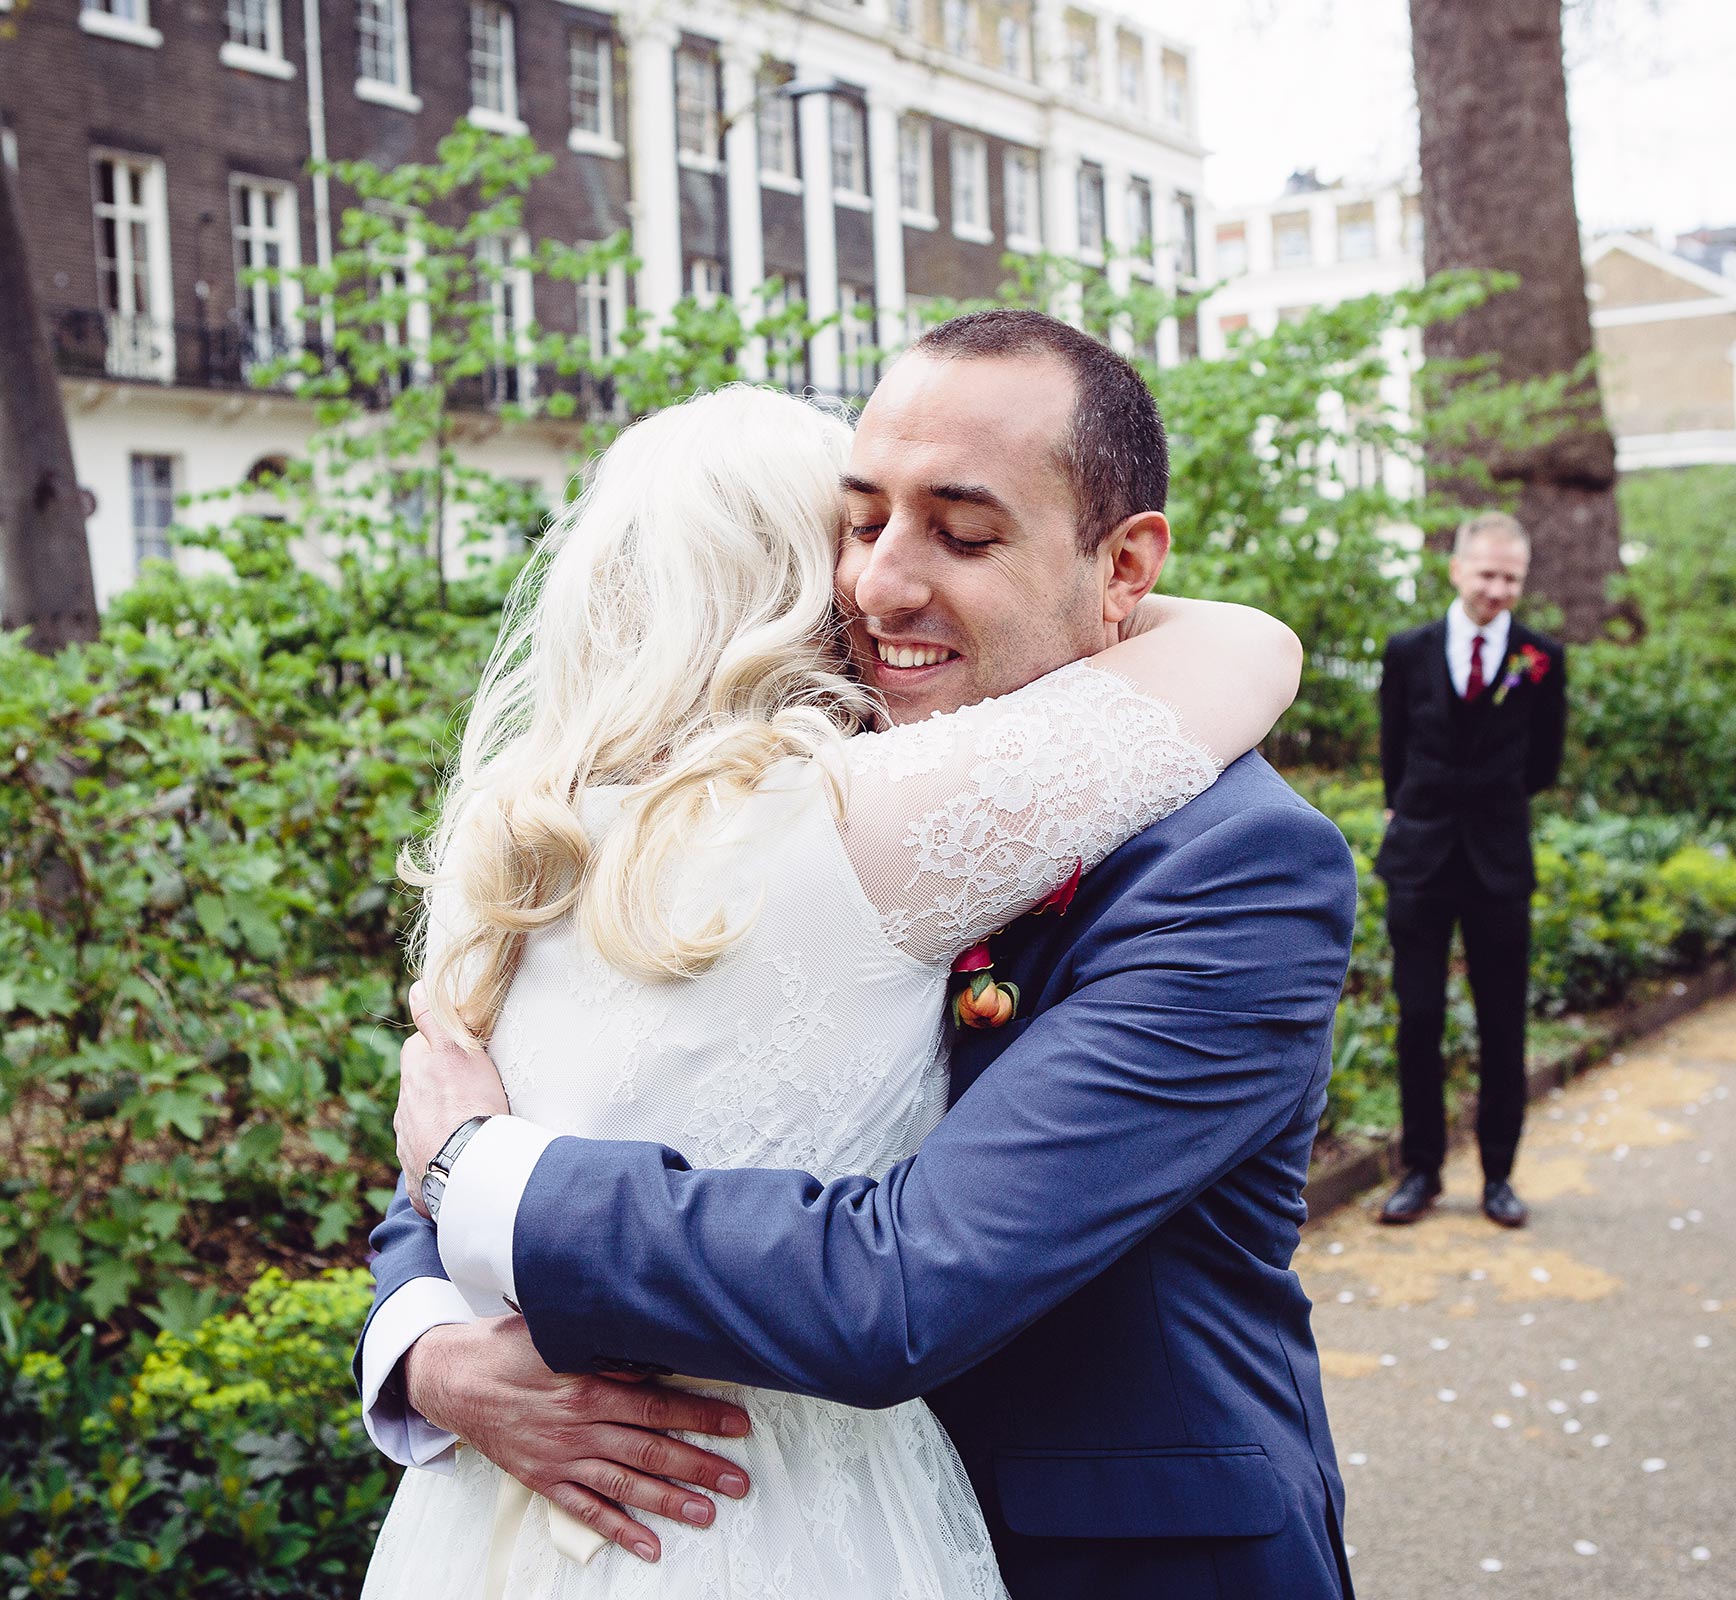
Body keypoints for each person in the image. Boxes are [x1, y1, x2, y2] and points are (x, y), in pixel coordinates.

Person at [359, 313, 1344, 1600]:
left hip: (1112, 1554)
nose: (880, 584)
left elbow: (911, 1278)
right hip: (740, 1520)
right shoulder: (739, 814)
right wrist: (429, 1349)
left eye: (964, 531)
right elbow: (496, 1105)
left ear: (1125, 570)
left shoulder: (1237, 866)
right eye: (858, 521)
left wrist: (484, 1179)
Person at [1372, 511, 1567, 1228]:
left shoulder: (1541, 659)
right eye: (1487, 574)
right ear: (1457, 570)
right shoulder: (1408, 651)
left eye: (1511, 577)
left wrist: (1491, 808)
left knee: (1502, 1024)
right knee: (1419, 1018)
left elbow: (1544, 762)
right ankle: (1420, 1171)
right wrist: (1406, 810)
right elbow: (1393, 749)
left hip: (1498, 864)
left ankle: (1499, 1177)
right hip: (1420, 861)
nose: (1498, 589)